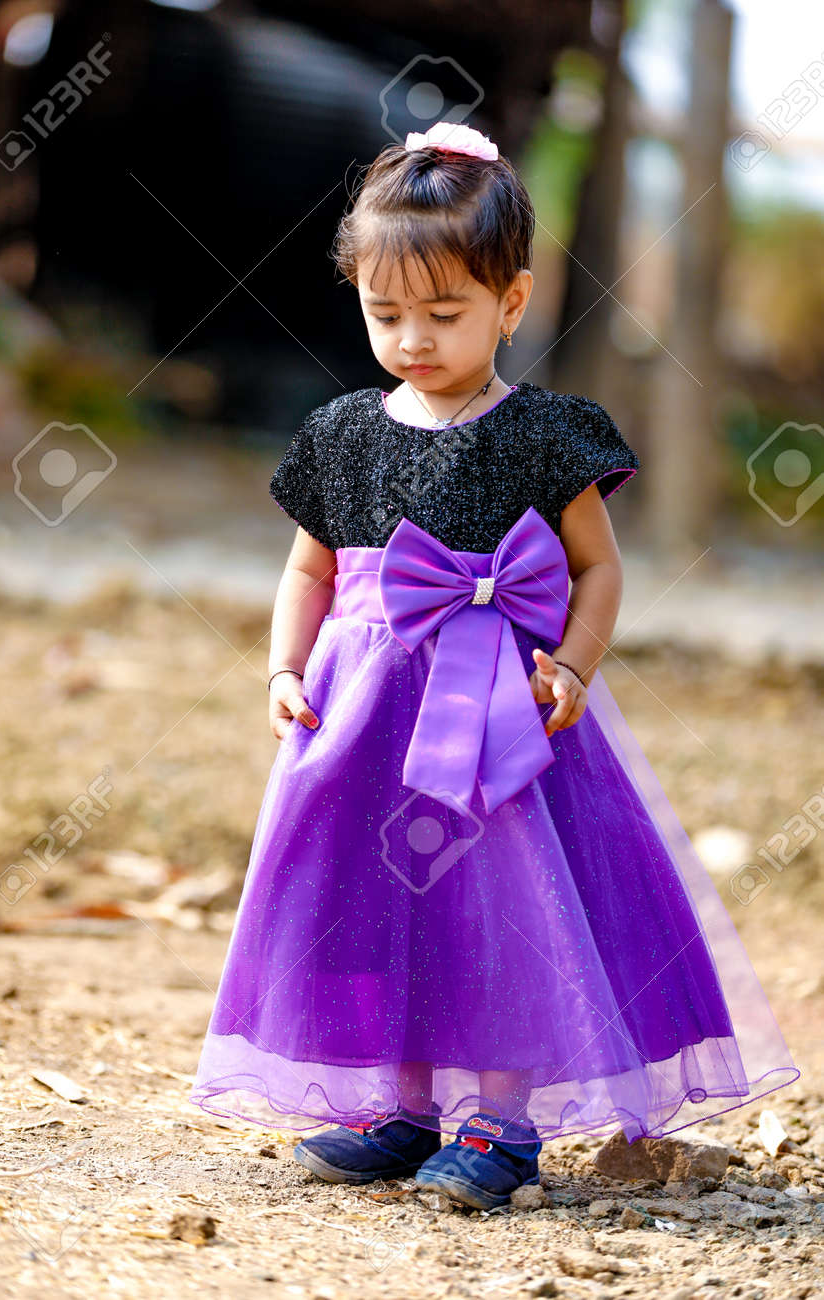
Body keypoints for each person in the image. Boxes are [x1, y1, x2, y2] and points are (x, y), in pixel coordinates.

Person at [189, 121, 800, 1211]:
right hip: (367, 717)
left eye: (444, 313)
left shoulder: (546, 435)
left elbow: (596, 569)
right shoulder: (339, 434)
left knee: (500, 905)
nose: (413, 338)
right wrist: (287, 669)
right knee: (376, 898)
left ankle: (497, 1116)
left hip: (505, 719)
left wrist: (573, 662)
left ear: (511, 304)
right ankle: (402, 1103)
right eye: (386, 315)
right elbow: (309, 572)